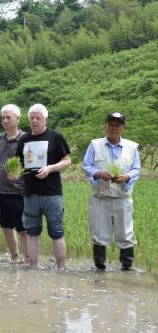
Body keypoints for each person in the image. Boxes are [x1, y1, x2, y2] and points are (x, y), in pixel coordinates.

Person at [81, 112, 141, 271]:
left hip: (122, 197)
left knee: (125, 232)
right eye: (111, 124)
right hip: (100, 196)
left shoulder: (132, 146)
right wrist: (98, 173)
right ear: (105, 126)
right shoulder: (94, 145)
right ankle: (99, 267)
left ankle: (127, 267)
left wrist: (127, 177)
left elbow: (136, 169)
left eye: (117, 125)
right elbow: (86, 166)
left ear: (123, 128)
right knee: (98, 232)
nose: (113, 127)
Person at [16, 104, 71, 269]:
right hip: (30, 192)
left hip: (52, 192)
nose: (34, 121)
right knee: (31, 232)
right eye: (32, 118)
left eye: (38, 118)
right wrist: (15, 172)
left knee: (56, 231)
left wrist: (50, 168)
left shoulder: (55, 137)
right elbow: (19, 164)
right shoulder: (24, 140)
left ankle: (61, 268)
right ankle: (32, 268)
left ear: (45, 119)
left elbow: (67, 161)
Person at [0, 104, 28, 264]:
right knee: (6, 227)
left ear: (18, 119)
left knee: (23, 229)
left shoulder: (26, 138)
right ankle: (14, 257)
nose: (5, 120)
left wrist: (19, 173)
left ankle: (27, 259)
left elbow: (31, 164)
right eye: (3, 117)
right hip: (2, 191)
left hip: (20, 192)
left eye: (8, 117)